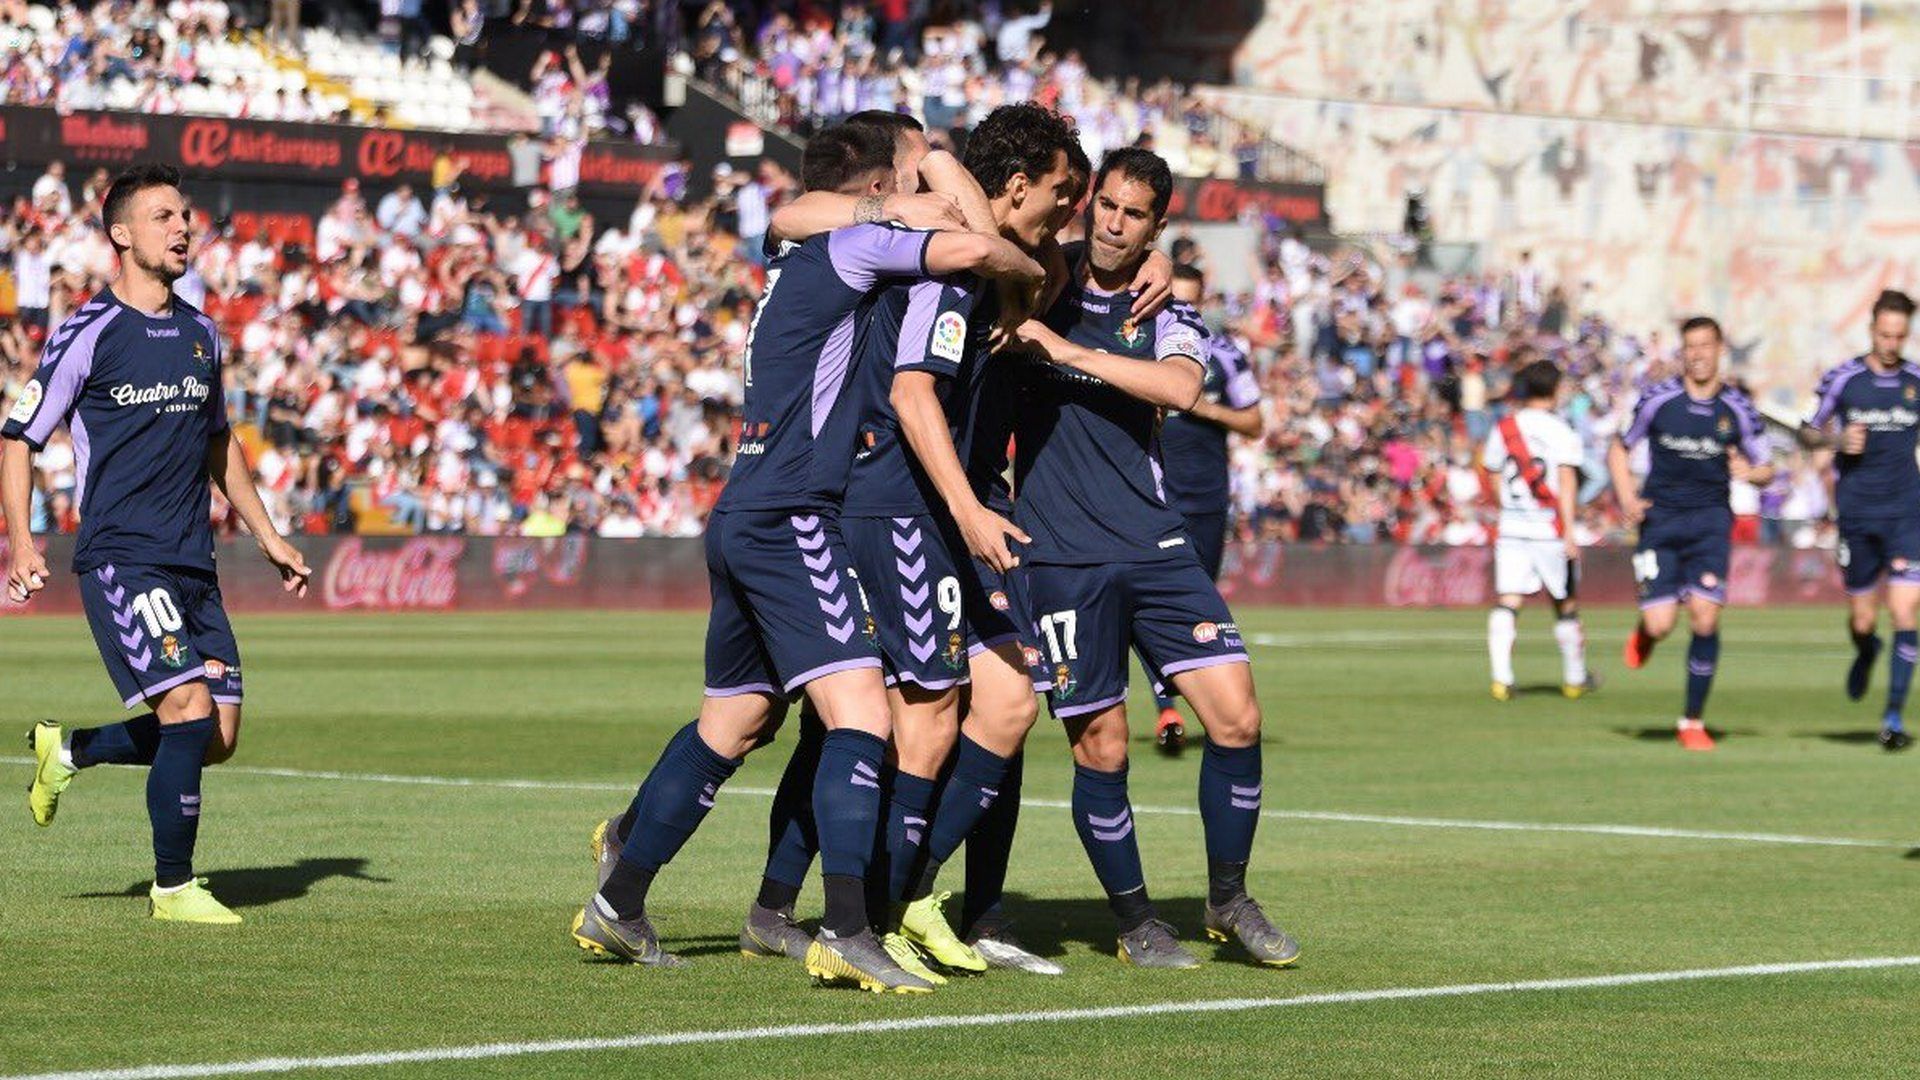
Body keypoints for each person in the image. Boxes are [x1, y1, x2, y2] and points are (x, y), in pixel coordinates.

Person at [568, 122, 1045, 993]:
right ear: (877, 192)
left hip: (747, 506)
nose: (928, 191)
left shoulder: (793, 256)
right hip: (792, 512)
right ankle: (851, 930)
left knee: (738, 720)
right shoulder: (859, 246)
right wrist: (942, 181)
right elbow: (980, 244)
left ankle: (619, 900)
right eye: (908, 179)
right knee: (862, 711)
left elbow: (799, 212)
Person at [1011, 148, 1299, 968]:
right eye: (1105, 204)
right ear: (1086, 202)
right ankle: (1138, 921)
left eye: (1134, 215)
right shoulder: (1037, 277)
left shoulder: (1167, 309)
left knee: (1238, 716)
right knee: (1101, 746)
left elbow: (1178, 390)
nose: (1113, 222)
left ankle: (1228, 898)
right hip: (1061, 554)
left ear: (1155, 226)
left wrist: (1064, 352)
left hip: (1156, 542)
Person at [9, 164, 312, 924]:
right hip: (122, 554)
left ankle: (71, 750)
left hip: (193, 562)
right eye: (162, 217)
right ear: (121, 235)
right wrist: (20, 543)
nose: (182, 228)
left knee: (219, 734)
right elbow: (18, 437)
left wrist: (268, 534)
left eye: (185, 215)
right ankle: (173, 888)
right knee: (186, 706)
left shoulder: (202, 333)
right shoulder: (89, 332)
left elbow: (219, 443)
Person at [1609, 316, 1774, 751]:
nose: (1698, 354)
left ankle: (1692, 721)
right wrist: (1627, 496)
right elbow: (1618, 446)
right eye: (1691, 346)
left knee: (1705, 615)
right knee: (1661, 624)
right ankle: (1647, 632)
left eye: (1706, 345)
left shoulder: (1737, 408)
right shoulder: (1658, 399)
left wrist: (1751, 472)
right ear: (1682, 352)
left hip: (1710, 523)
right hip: (1660, 522)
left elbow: (1767, 467)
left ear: (1720, 349)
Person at [1138, 262, 1263, 752]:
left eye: (1190, 301)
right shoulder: (1137, 342)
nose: (1181, 309)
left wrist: (1196, 404)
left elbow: (1255, 422)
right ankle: (1166, 704)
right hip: (1153, 494)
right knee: (1151, 599)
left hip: (1209, 496)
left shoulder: (1225, 353)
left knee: (1199, 598)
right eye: (1174, 299)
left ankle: (1202, 702)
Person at [1798, 289, 1919, 750]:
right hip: (1858, 514)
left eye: (1899, 335)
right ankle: (1867, 650)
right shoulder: (1843, 379)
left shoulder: (1915, 380)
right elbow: (1807, 433)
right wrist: (1834, 440)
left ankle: (1893, 717)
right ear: (1872, 330)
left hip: (1908, 512)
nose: (1891, 343)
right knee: (1863, 620)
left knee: (1905, 610)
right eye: (1884, 334)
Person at [1481, 358, 1594, 700]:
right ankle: (1575, 679)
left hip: (1513, 527)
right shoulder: (1561, 430)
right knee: (1565, 602)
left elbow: (1493, 472)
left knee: (1508, 602)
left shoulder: (1505, 428)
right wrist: (1570, 531)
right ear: (1555, 390)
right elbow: (1565, 479)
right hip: (1550, 528)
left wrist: (1510, 508)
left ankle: (1502, 678)